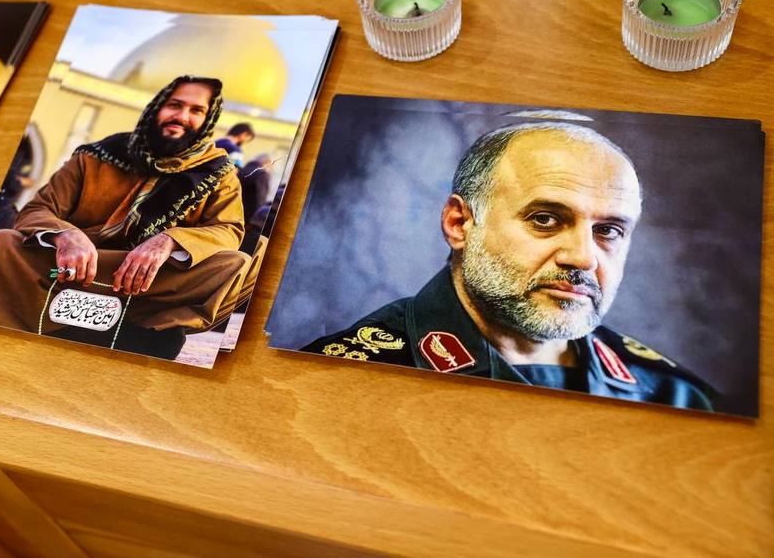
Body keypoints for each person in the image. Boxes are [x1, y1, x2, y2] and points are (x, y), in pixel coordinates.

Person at [301, 122, 715, 411]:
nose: (584, 257)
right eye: (545, 219)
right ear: (460, 224)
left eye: (607, 230)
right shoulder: (342, 383)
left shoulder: (674, 395)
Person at [0, 75, 252, 360]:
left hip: (146, 285)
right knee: (0, 244)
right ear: (156, 107)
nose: (182, 116)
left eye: (196, 110)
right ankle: (62, 326)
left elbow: (228, 229)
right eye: (174, 105)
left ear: (208, 119)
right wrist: (66, 235)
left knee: (236, 265)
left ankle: (143, 327)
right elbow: (37, 210)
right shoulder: (97, 156)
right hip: (70, 273)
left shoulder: (217, 173)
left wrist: (169, 241)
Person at [237, 153, 272, 222]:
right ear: (266, 162)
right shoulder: (262, 174)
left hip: (235, 213)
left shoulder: (242, 171)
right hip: (249, 218)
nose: (271, 168)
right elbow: (260, 199)